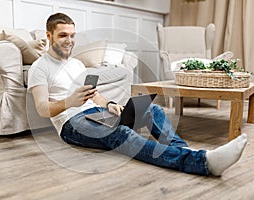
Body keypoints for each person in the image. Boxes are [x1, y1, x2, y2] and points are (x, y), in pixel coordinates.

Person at [28, 13, 248, 176]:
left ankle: (182, 150)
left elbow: (93, 96)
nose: (69, 40)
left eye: (72, 35)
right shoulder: (40, 67)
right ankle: (203, 162)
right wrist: (69, 102)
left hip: (97, 113)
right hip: (71, 124)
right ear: (49, 35)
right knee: (123, 135)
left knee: (153, 109)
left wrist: (110, 105)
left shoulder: (76, 63)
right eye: (63, 35)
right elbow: (42, 108)